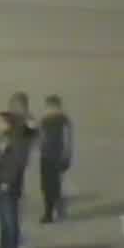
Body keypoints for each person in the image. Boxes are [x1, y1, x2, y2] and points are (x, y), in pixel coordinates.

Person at [0, 99, 38, 248]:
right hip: (1, 182)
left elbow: (17, 163)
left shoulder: (17, 140)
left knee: (10, 219)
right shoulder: (4, 137)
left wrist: (7, 181)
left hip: (9, 184)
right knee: (3, 219)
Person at [35, 93, 73, 222]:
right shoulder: (44, 120)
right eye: (49, 107)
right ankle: (52, 211)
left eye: (52, 107)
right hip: (45, 157)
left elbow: (68, 140)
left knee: (55, 186)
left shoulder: (63, 120)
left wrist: (66, 157)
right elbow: (38, 136)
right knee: (46, 186)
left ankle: (51, 212)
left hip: (58, 157)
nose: (50, 109)